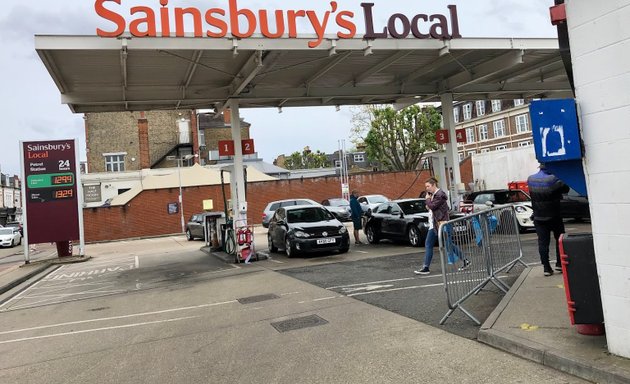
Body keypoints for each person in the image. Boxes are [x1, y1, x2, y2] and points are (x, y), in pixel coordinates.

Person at [415, 177, 469, 274]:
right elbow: (432, 207)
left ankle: (426, 267)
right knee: (434, 244)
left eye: (428, 186)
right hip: (435, 224)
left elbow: (432, 206)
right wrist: (429, 203)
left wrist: (427, 200)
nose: (426, 188)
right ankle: (426, 267)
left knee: (446, 244)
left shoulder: (439, 195)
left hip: (441, 223)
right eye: (426, 186)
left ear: (433, 185)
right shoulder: (435, 195)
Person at [527, 163, 570, 276]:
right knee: (559, 239)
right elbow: (566, 189)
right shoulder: (554, 179)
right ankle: (560, 264)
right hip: (554, 215)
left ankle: (546, 268)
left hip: (539, 217)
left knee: (543, 243)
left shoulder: (531, 179)